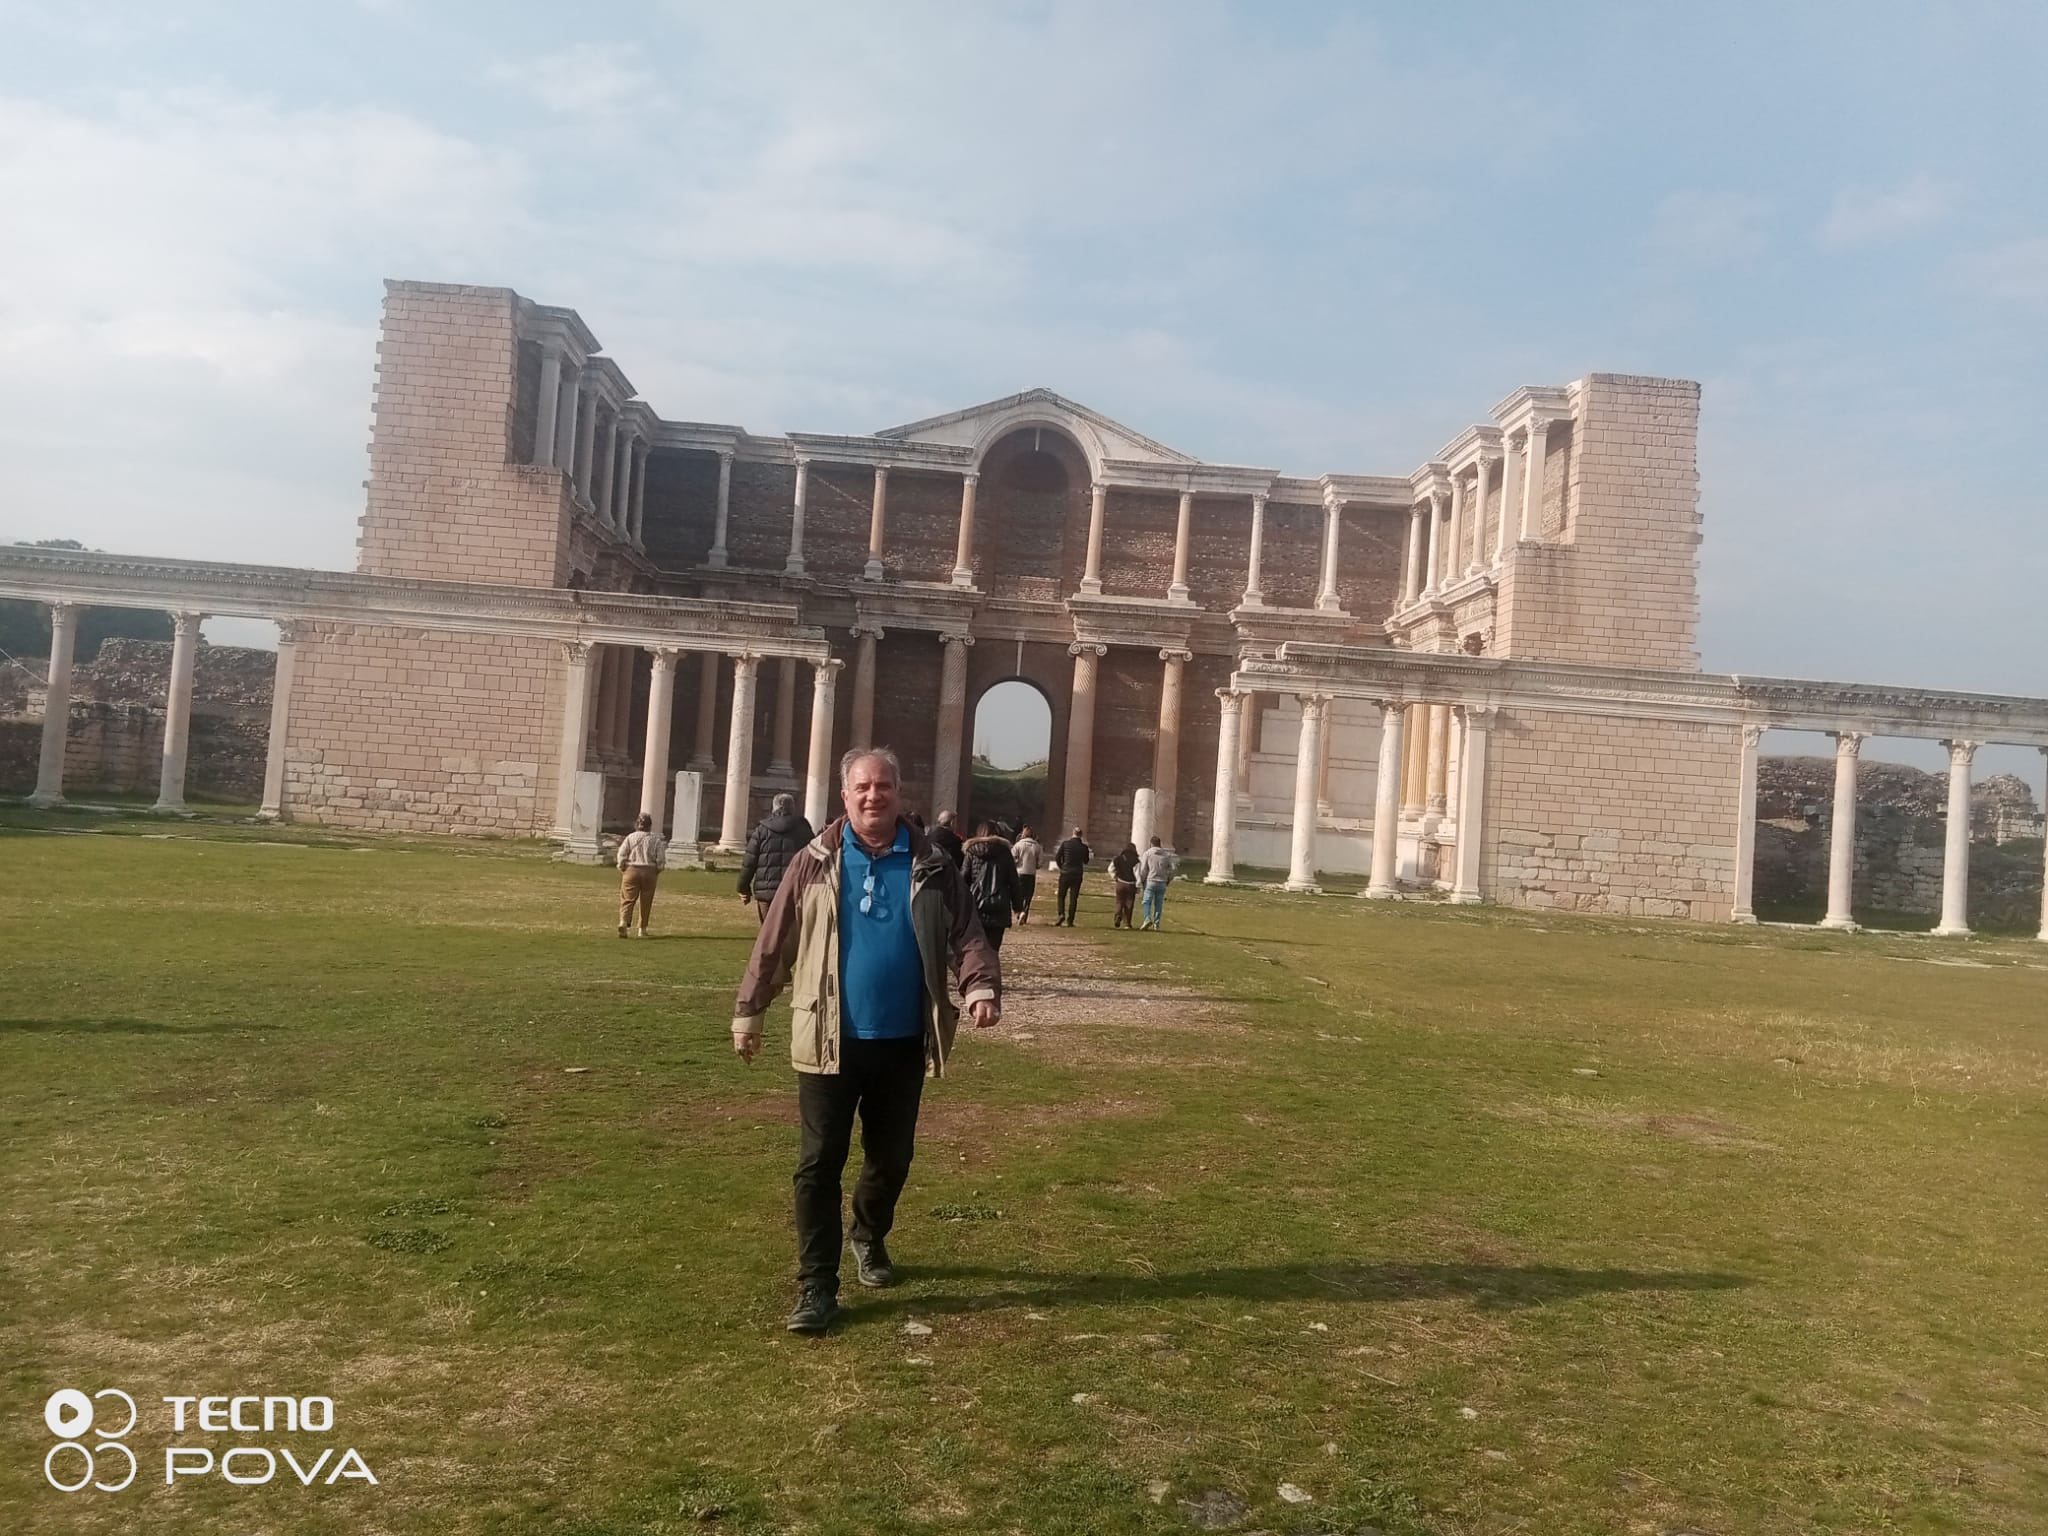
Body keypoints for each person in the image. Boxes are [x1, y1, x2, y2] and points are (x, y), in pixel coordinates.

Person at [732, 747, 1001, 1335]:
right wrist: (749, 1011)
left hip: (901, 1039)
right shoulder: (812, 862)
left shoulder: (932, 864)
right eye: (862, 787)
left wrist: (979, 985)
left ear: (898, 794)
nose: (873, 796)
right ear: (845, 796)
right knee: (818, 1163)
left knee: (891, 1158)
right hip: (826, 1037)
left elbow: (967, 934)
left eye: (883, 786)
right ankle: (816, 1286)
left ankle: (869, 1233)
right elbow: (775, 941)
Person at [738, 792, 815, 922]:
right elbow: (813, 861)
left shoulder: (761, 830)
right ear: (793, 808)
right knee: (792, 932)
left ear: (773, 808)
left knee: (768, 932)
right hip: (794, 891)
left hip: (767, 893)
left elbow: (749, 861)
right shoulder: (804, 830)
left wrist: (743, 888)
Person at [962, 821, 1021, 953]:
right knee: (993, 948)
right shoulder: (1005, 852)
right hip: (999, 906)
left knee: (976, 948)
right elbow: (1013, 881)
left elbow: (963, 879)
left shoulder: (971, 852)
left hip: (976, 905)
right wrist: (1018, 907)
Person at [616, 812, 666, 938]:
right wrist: (658, 869)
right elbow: (660, 858)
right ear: (650, 825)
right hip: (649, 870)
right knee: (646, 901)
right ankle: (642, 929)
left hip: (631, 869)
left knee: (627, 898)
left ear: (637, 824)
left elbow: (622, 854)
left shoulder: (630, 837)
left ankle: (623, 922)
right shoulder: (655, 840)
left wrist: (622, 867)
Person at [1139, 835, 1180, 930]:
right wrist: (1168, 879)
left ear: (1151, 844)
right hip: (1162, 882)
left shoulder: (1147, 853)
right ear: (1159, 844)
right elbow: (1173, 869)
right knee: (1159, 904)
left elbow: (1144, 869)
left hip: (1151, 880)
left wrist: (1141, 879)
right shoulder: (1166, 855)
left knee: (1146, 901)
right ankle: (1156, 924)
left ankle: (1147, 918)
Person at [1052, 826, 1091, 925]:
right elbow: (1086, 861)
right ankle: (1070, 920)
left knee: (1061, 895)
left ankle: (1061, 914)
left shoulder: (1065, 844)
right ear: (1081, 835)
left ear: (1073, 833)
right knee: (1073, 898)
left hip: (1065, 872)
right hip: (1077, 873)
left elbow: (1058, 857)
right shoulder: (1084, 847)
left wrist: (1061, 867)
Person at [1010, 825, 1043, 924]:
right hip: (1031, 874)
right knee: (1028, 896)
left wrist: (1016, 864)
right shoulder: (1037, 846)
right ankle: (1025, 913)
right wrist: (1036, 866)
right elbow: (1041, 861)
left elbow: (1012, 858)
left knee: (1018, 894)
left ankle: (1019, 912)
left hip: (1019, 873)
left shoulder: (1018, 845)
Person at [1109, 840, 1141, 929]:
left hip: (1120, 883)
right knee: (1129, 903)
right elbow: (1137, 874)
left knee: (1119, 901)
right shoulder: (1136, 861)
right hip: (1131, 884)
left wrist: (1115, 877)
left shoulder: (1118, 858)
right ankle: (1127, 924)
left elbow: (1110, 869)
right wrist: (1138, 886)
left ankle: (1117, 916)